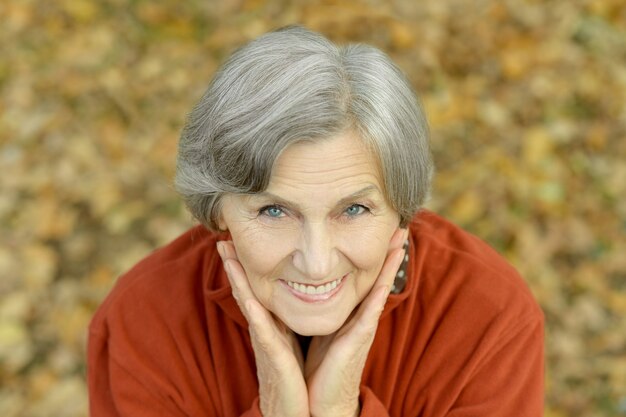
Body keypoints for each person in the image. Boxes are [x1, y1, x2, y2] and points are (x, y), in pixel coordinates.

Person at [88, 26, 544, 416]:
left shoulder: (488, 318)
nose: (317, 264)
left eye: (353, 210)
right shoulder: (144, 323)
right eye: (273, 210)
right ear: (216, 210)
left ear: (401, 210)